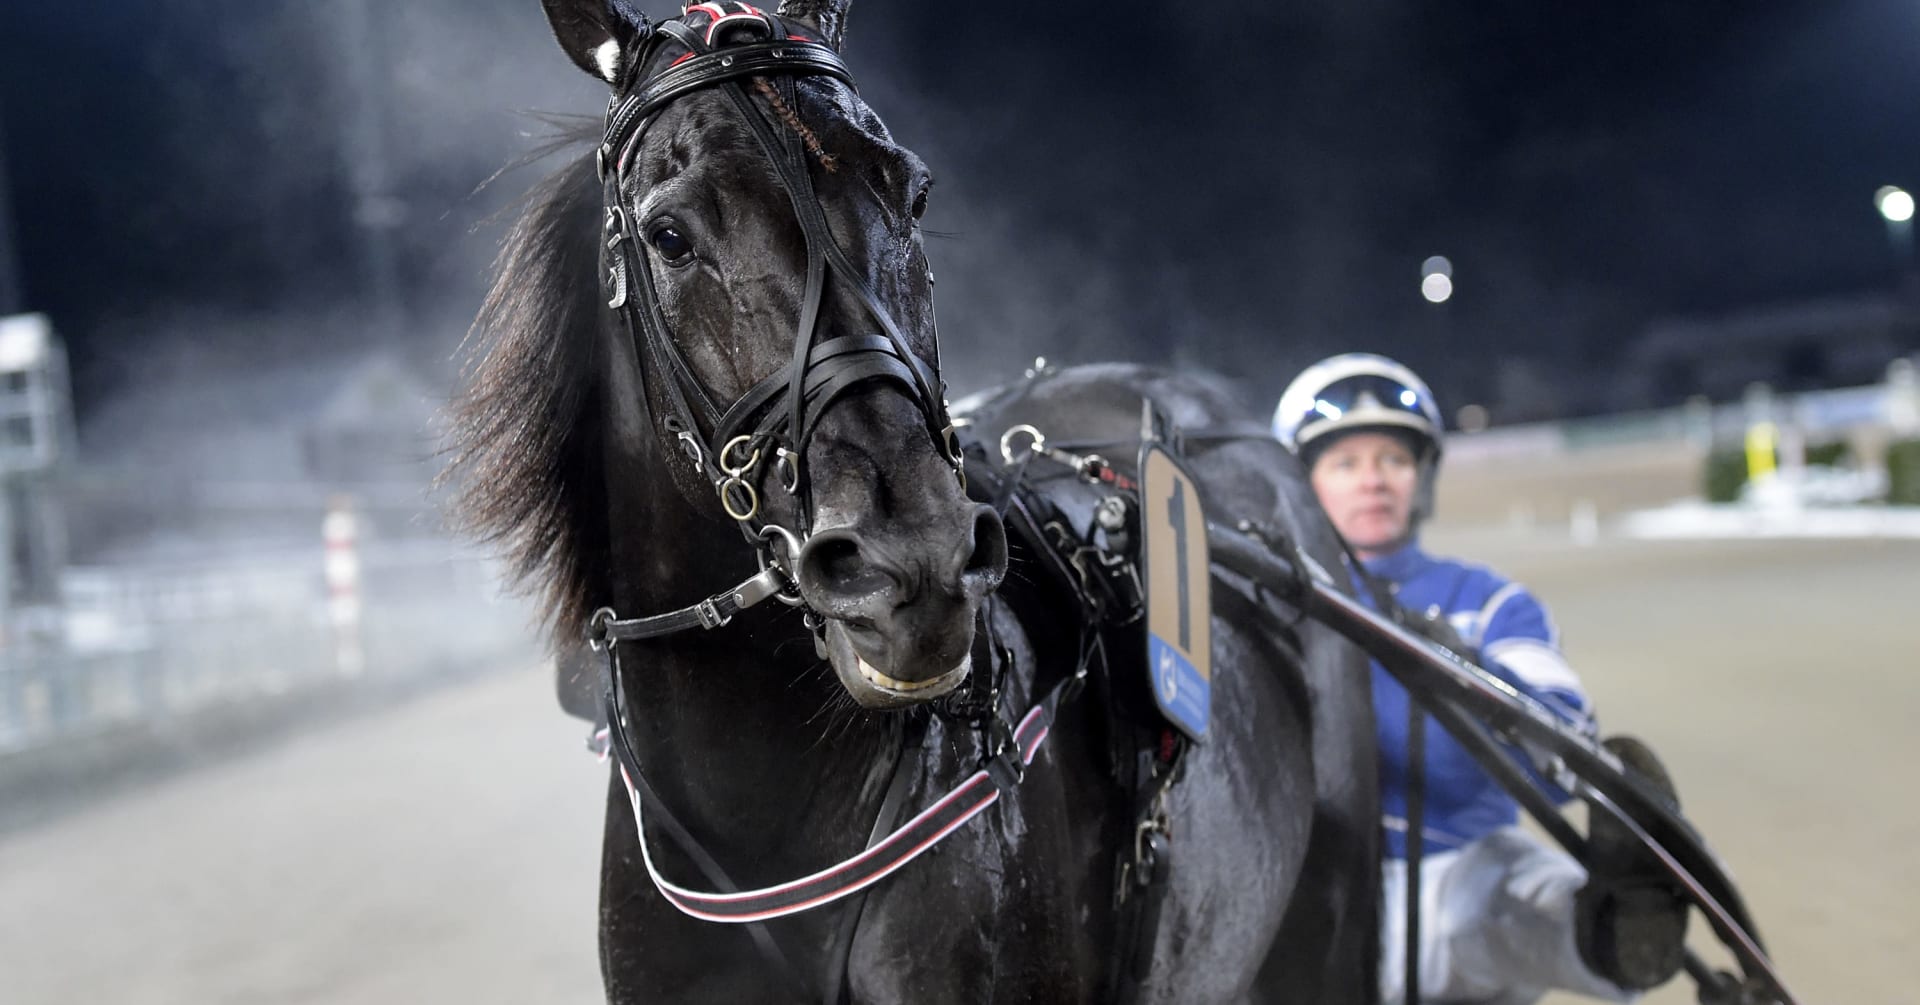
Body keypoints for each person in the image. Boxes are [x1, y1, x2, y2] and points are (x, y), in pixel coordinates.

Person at [1272, 353, 1688, 1005]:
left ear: (1422, 477)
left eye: (1394, 460)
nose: (1373, 481)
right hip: (1307, 898)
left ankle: (1606, 927)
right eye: (1345, 463)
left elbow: (1565, 742)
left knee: (1511, 884)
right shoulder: (1269, 605)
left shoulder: (1490, 602)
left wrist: (1467, 668)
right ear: (1303, 486)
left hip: (1459, 885)